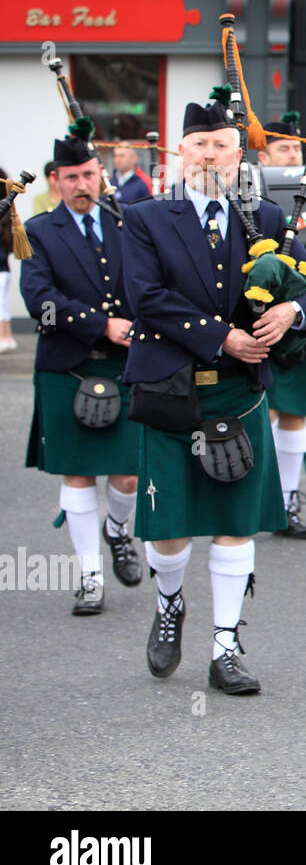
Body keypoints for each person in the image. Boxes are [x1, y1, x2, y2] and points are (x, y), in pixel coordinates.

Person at [122, 92, 306, 693]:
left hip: (239, 397)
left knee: (234, 523)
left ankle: (225, 645)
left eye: (222, 145)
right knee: (168, 528)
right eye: (199, 145)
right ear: (181, 150)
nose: (210, 155)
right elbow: (147, 299)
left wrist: (294, 309)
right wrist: (224, 338)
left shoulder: (265, 219)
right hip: (171, 391)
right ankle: (169, 604)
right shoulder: (144, 219)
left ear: (239, 154)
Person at [21, 135, 144, 613]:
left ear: (101, 174)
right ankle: (90, 577)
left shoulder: (125, 221)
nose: (81, 184)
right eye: (71, 177)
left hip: (126, 363)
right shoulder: (38, 231)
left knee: (128, 474)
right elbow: (40, 301)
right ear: (56, 180)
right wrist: (101, 325)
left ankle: (117, 531)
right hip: (67, 366)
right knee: (77, 474)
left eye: (88, 174)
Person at [257, 114, 306, 539]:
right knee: (261, 409)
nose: (294, 155)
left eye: (296, 149)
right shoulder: (252, 198)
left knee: (295, 411)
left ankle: (287, 501)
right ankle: (258, 496)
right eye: (284, 148)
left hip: (304, 315)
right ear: (262, 154)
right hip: (259, 318)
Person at [0, 167, 15, 353]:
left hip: (1, 265)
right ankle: (6, 336)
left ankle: (6, 336)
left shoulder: (7, 211)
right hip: (4, 265)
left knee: (1, 303)